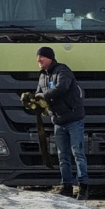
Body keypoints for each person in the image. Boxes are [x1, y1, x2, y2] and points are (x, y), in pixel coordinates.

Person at [36, 45, 88, 198]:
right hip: (58, 121)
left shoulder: (63, 70)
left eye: (41, 57)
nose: (38, 60)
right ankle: (67, 186)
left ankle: (83, 186)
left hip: (73, 120)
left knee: (78, 153)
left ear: (50, 58)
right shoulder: (42, 76)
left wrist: (44, 96)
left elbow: (62, 87)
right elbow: (38, 92)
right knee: (62, 155)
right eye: (37, 57)